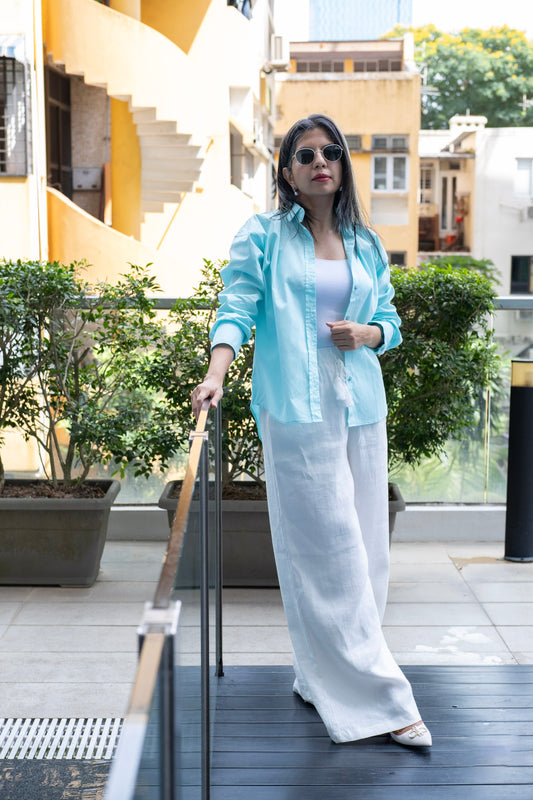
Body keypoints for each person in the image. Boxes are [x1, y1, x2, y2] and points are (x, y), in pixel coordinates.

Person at [192, 113, 432, 747]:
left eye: (331, 151)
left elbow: (389, 321)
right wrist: (216, 374)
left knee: (368, 550)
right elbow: (237, 307)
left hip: (360, 403)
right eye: (305, 154)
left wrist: (368, 334)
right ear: (287, 172)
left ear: (343, 165)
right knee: (329, 552)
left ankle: (320, 672)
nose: (320, 161)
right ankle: (383, 702)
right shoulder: (264, 236)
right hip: (295, 409)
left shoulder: (366, 242)